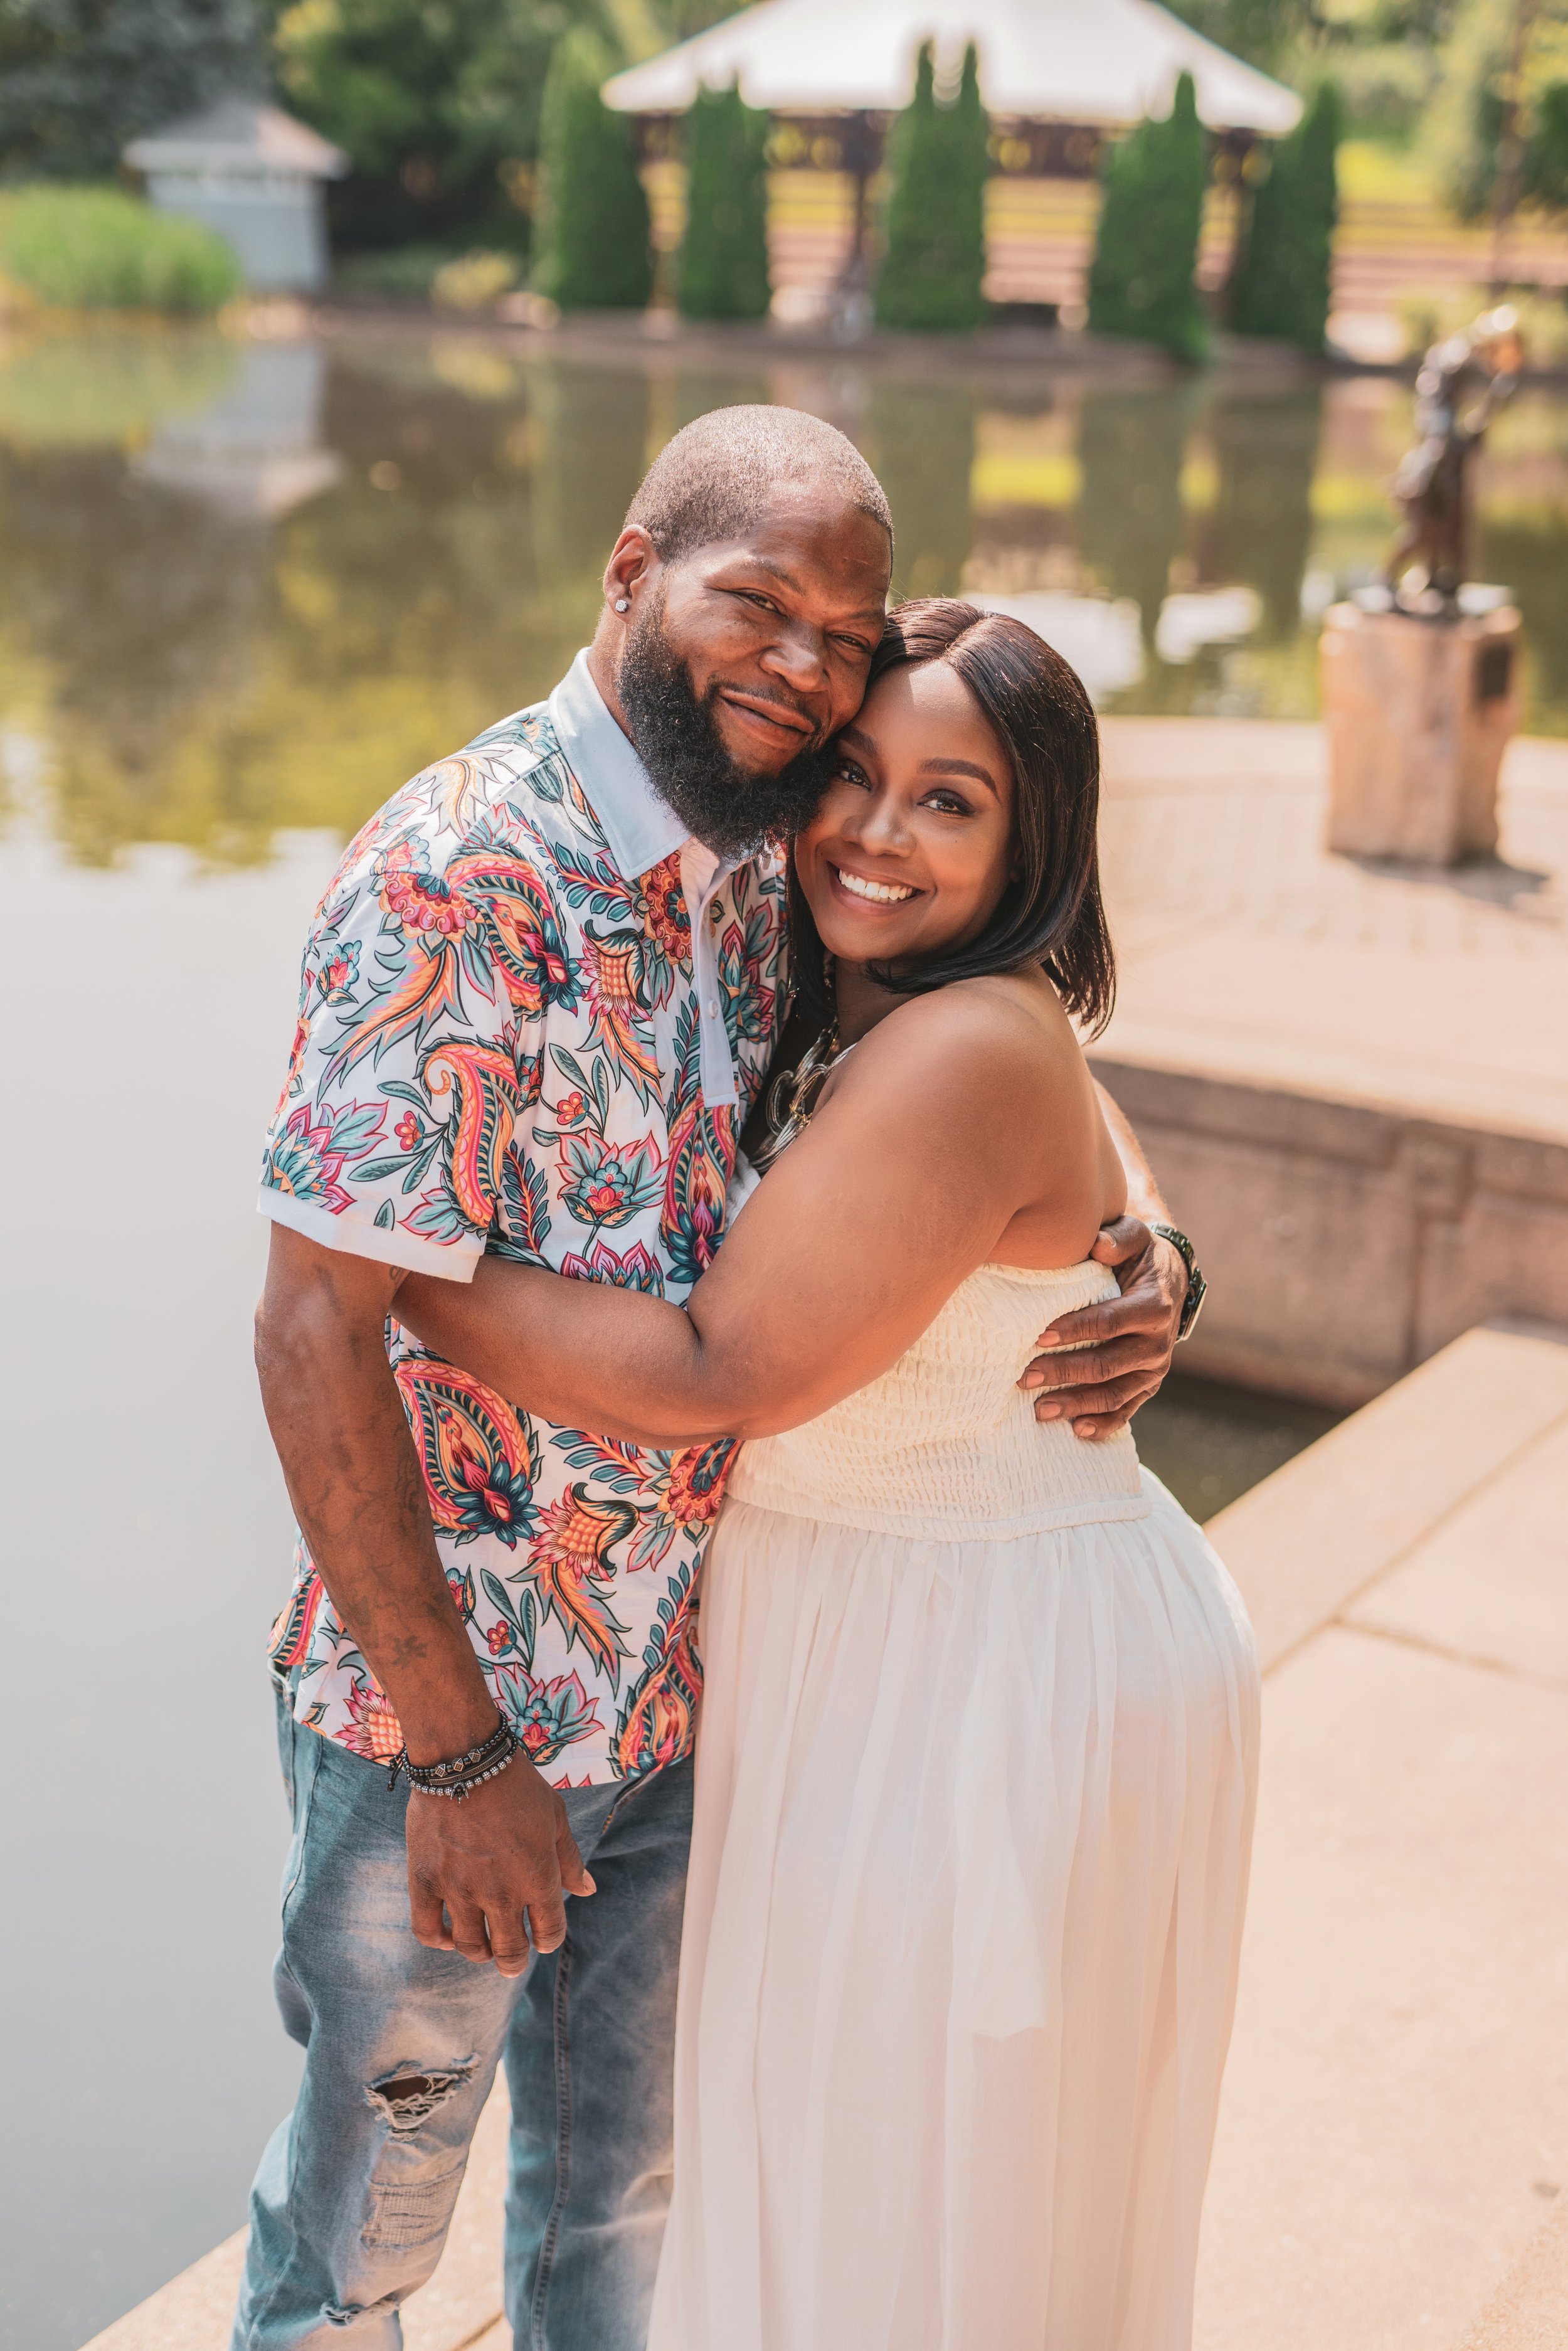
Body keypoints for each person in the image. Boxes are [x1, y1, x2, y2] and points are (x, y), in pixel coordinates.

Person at [239, 410, 1199, 2351]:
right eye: (754, 602)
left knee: (627, 2227)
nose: (798, 666)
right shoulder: (457, 875)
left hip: (696, 1705)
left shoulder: (766, 854)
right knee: (363, 2238)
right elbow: (311, 1322)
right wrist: (458, 1754)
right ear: (628, 570)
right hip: (452, 1729)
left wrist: (1151, 1254)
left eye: (841, 638)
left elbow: (999, 1092)